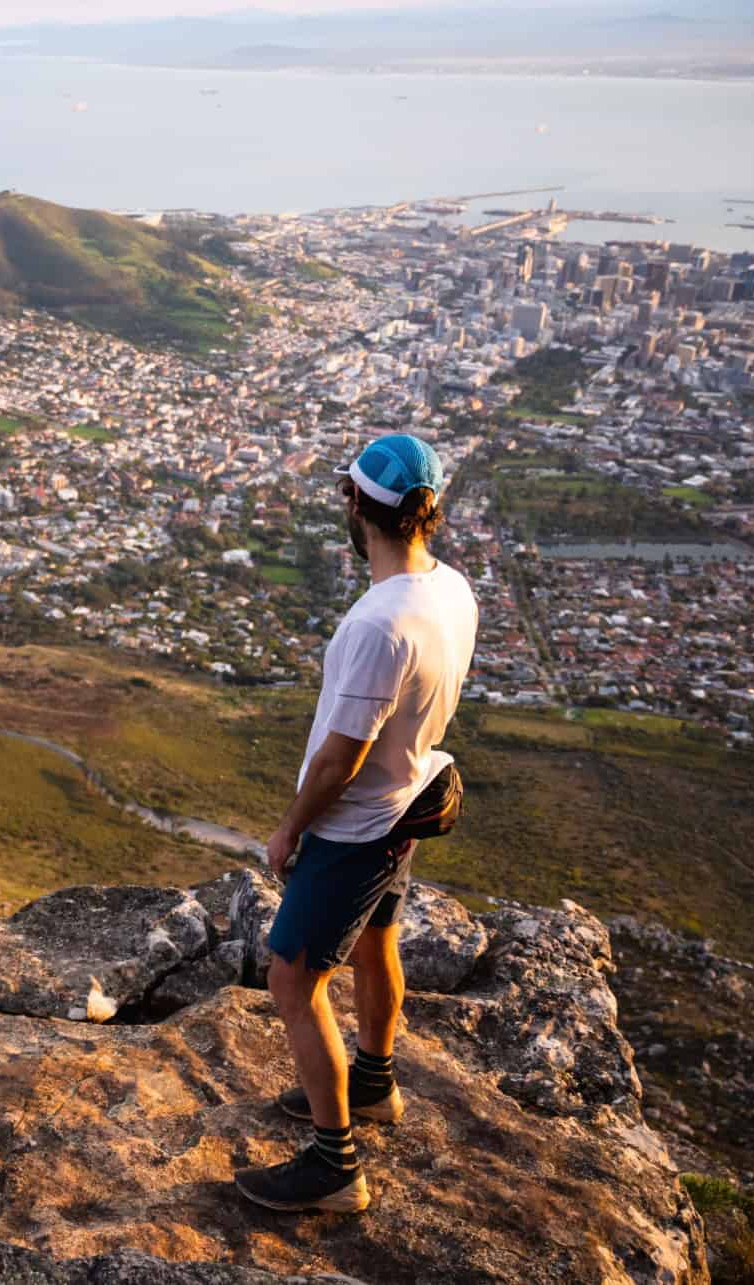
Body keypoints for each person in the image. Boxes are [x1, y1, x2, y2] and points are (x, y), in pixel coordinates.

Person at [234, 433, 477, 1215]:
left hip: (354, 826)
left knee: (292, 978)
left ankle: (334, 1164)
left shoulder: (378, 624)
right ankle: (373, 1080)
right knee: (377, 938)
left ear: (356, 506)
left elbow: (341, 758)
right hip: (407, 798)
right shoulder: (451, 590)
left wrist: (289, 828)